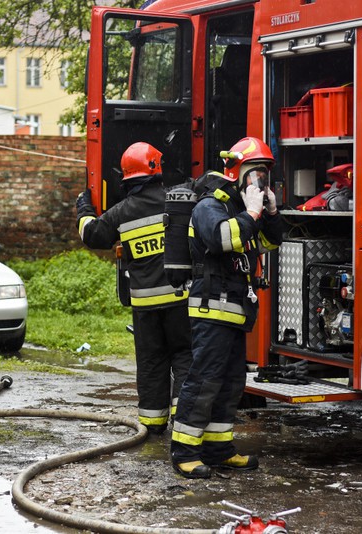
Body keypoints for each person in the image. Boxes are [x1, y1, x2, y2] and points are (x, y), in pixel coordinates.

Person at [170, 137, 284, 479]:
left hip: (234, 311)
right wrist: (250, 213)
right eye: (255, 173)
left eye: (264, 175)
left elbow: (268, 243)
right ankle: (184, 451)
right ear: (237, 172)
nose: (259, 181)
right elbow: (221, 239)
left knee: (232, 382)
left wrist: (271, 213)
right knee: (204, 380)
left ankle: (218, 449)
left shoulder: (241, 212)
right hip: (211, 309)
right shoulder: (209, 206)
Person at [76, 142, 192, 435]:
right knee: (184, 357)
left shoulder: (121, 212)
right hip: (181, 301)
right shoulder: (176, 201)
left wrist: (84, 209)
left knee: (152, 363)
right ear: (156, 168)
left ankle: (152, 425)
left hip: (144, 307)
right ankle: (185, 420)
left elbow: (91, 235)